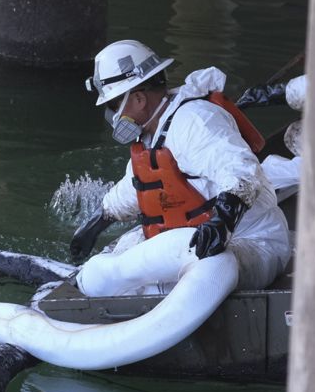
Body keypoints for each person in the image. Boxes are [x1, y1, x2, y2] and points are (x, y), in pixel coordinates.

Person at [70, 39, 292, 297]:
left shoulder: (194, 121)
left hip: (254, 241)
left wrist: (222, 223)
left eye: (113, 106)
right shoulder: (154, 133)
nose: (113, 116)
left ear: (139, 98)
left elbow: (243, 172)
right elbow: (134, 187)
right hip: (199, 237)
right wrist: (97, 222)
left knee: (168, 282)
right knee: (121, 255)